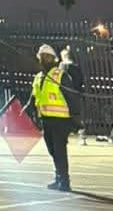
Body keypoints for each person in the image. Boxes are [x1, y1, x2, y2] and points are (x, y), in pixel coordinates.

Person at [28, 42, 77, 192]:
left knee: (59, 151)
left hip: (60, 120)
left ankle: (64, 181)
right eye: (42, 56)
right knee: (52, 151)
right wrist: (28, 109)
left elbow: (71, 97)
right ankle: (58, 178)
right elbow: (34, 97)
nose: (44, 59)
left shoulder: (61, 76)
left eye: (47, 56)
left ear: (54, 58)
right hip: (46, 120)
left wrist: (75, 118)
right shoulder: (38, 77)